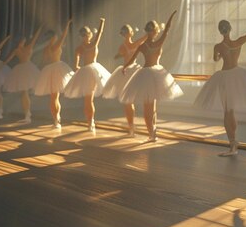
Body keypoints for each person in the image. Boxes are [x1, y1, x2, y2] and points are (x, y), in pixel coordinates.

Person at [194, 8, 246, 156]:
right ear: (230, 29)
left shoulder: (218, 46)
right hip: (235, 75)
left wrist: (218, 55)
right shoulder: (237, 42)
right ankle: (234, 142)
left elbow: (215, 60)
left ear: (220, 31)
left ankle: (232, 143)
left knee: (227, 112)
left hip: (224, 77)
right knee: (231, 111)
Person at [120, 11, 183, 142]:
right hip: (153, 74)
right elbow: (167, 30)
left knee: (149, 107)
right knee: (151, 107)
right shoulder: (157, 42)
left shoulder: (143, 45)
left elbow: (132, 59)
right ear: (154, 31)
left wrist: (125, 67)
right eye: (155, 30)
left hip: (147, 74)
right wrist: (171, 17)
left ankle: (152, 133)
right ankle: (152, 133)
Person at [64, 18, 111, 131]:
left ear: (90, 35)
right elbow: (75, 65)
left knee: (89, 99)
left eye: (88, 34)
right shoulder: (80, 48)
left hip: (93, 70)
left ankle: (91, 122)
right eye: (84, 35)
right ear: (82, 36)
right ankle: (90, 122)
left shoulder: (92, 43)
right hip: (88, 71)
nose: (86, 36)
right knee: (88, 99)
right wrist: (80, 69)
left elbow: (99, 33)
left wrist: (102, 23)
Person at [103, 24, 147, 136]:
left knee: (127, 102)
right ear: (131, 33)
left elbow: (119, 54)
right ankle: (136, 127)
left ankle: (131, 126)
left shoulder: (122, 46)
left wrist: (118, 55)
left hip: (126, 71)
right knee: (134, 100)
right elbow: (143, 39)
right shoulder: (134, 43)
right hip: (132, 71)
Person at [34, 19, 74, 129]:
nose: (56, 37)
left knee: (53, 98)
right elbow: (64, 36)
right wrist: (67, 24)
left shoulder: (46, 49)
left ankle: (56, 119)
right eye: (55, 36)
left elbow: (43, 61)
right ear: (52, 38)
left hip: (49, 70)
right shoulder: (56, 46)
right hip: (56, 69)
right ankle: (57, 120)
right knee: (55, 97)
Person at [3, 27, 42, 123]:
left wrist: (39, 29)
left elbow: (35, 38)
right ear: (18, 42)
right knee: (24, 93)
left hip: (28, 69)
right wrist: (1, 65)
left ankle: (27, 113)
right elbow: (8, 59)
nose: (22, 42)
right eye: (21, 41)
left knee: (25, 93)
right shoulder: (16, 50)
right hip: (20, 70)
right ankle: (27, 113)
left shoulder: (28, 47)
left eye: (23, 41)